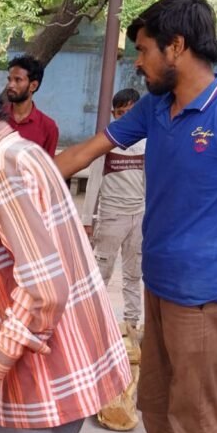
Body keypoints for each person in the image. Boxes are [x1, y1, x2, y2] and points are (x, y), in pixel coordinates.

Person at [54, 0, 217, 433]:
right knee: (155, 413)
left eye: (145, 50)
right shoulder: (155, 108)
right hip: (159, 291)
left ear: (176, 46)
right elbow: (85, 152)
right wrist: (6, 179)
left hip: (203, 303)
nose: (138, 61)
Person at [0, 65, 130, 433]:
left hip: (50, 365)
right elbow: (24, 267)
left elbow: (42, 288)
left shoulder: (4, 168)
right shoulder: (24, 153)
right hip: (74, 354)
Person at [80, 88, 146, 328]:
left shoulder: (149, 143)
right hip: (111, 216)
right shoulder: (106, 142)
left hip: (138, 216)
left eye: (131, 112)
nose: (126, 117)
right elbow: (94, 181)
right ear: (113, 114)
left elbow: (150, 184)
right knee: (101, 270)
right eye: (121, 113)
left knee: (133, 273)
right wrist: (87, 219)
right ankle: (90, 321)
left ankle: (132, 322)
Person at [5, 55, 59, 157]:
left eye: (18, 80)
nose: (10, 85)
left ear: (33, 86)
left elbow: (46, 169)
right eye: (9, 79)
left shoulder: (48, 127)